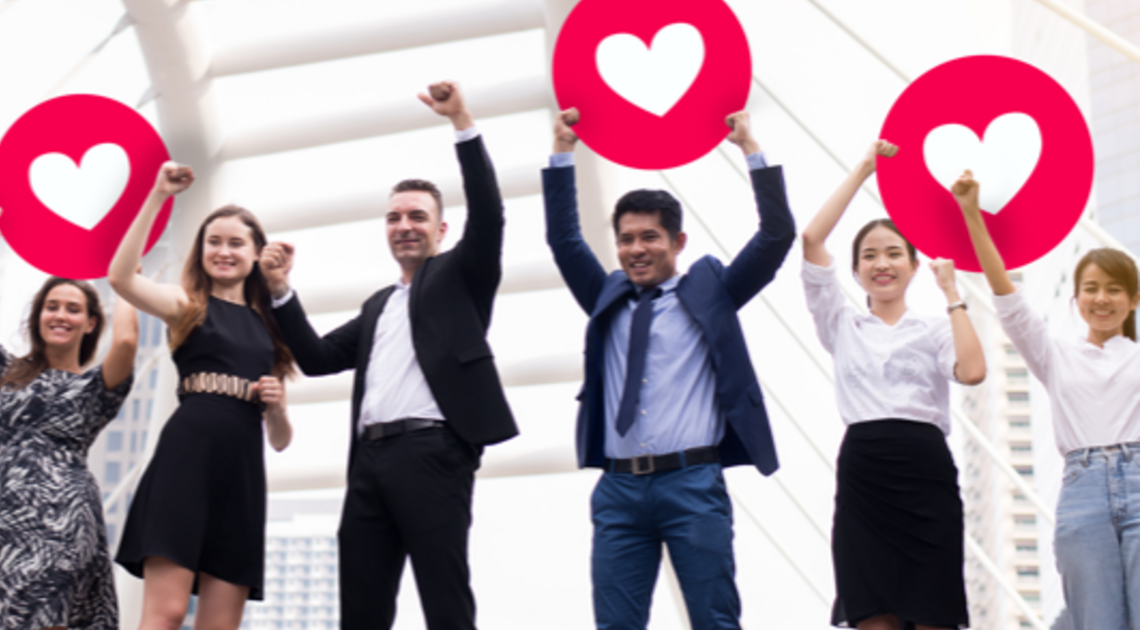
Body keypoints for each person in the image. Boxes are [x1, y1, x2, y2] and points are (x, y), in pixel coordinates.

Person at [260, 81, 516, 630]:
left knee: (444, 599)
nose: (404, 225)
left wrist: (462, 124)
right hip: (369, 463)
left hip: (433, 452)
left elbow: (490, 215)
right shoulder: (379, 306)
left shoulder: (460, 278)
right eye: (394, 217)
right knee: (361, 607)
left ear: (441, 229)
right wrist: (280, 289)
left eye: (417, 216)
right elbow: (318, 356)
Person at [542, 107, 793, 629]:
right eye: (626, 239)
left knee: (714, 622)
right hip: (618, 491)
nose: (636, 249)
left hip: (692, 484)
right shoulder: (604, 295)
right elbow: (565, 241)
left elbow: (775, 237)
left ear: (677, 243)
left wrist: (751, 150)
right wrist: (563, 151)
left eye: (650, 237)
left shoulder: (711, 290)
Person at [801, 142, 985, 630]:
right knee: (873, 615)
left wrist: (952, 293)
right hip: (865, 474)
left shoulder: (935, 327)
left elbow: (972, 371)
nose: (882, 263)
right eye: (869, 256)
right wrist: (864, 167)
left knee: (933, 613)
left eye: (893, 253)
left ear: (912, 264)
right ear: (857, 271)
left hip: (925, 472)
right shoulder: (840, 323)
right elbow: (812, 239)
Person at [0, 203, 139, 630]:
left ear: (89, 323)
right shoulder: (3, 373)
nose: (61, 315)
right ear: (38, 316)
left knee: (45, 618)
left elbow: (127, 342)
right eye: (52, 306)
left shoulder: (96, 388)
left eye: (73, 309)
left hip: (61, 519)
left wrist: (126, 273)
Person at [953, 170, 1140, 630]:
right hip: (1083, 493)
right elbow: (1008, 300)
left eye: (1115, 289)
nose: (1102, 298)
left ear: (1134, 300)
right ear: (1076, 298)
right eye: (1092, 288)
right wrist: (972, 214)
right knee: (1096, 621)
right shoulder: (1055, 354)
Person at [110, 162, 294, 630]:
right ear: (201, 250)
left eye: (236, 243)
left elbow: (280, 439)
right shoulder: (187, 304)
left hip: (242, 474)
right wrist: (157, 194)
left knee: (219, 625)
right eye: (214, 241)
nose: (224, 251)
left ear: (256, 253)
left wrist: (275, 408)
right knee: (166, 613)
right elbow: (121, 279)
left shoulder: (272, 328)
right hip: (185, 461)